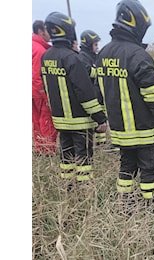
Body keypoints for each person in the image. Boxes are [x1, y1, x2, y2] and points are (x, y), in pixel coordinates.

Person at [95, 0, 154, 215]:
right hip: (145, 132)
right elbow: (152, 95)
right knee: (149, 174)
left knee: (126, 170)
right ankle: (152, 212)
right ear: (136, 25)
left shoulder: (103, 54)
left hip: (120, 133)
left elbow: (98, 92)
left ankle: (125, 208)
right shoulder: (139, 56)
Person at [41, 11, 108, 190]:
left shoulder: (46, 57)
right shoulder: (72, 58)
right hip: (79, 122)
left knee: (66, 157)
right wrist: (100, 117)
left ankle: (67, 186)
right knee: (83, 158)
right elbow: (85, 93)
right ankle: (84, 190)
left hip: (60, 121)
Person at [78, 30, 115, 150]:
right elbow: (88, 72)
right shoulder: (82, 57)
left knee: (102, 119)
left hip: (99, 94)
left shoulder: (93, 56)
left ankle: (101, 144)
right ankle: (98, 144)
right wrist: (101, 70)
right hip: (92, 95)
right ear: (88, 44)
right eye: (95, 44)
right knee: (96, 121)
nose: (97, 47)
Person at [32, 20, 58, 156]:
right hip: (38, 91)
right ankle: (48, 149)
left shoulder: (32, 46)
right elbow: (37, 75)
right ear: (41, 31)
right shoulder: (40, 50)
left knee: (36, 121)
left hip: (32, 92)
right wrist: (45, 95)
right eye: (48, 31)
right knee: (47, 120)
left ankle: (39, 148)